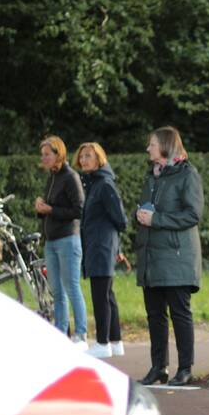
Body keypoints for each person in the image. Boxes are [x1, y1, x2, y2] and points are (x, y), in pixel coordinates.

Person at [135, 126, 204, 387]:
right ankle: (158, 367)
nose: (148, 149)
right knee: (154, 314)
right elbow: (149, 211)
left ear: (165, 145)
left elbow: (193, 214)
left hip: (177, 257)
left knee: (179, 313)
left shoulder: (188, 175)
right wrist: (140, 215)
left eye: (151, 144)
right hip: (151, 257)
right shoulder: (151, 177)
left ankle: (185, 368)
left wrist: (157, 219)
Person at [36, 135, 89, 349]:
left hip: (68, 239)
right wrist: (41, 207)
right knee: (57, 290)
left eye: (47, 154)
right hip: (52, 240)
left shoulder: (70, 176)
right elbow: (51, 207)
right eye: (43, 155)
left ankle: (82, 334)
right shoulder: (52, 176)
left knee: (72, 287)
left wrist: (50, 210)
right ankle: (61, 332)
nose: (44, 158)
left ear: (58, 154)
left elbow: (78, 209)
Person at [77, 142, 129, 359]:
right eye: (81, 157)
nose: (83, 160)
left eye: (88, 156)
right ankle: (115, 342)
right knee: (107, 295)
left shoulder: (104, 185)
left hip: (102, 246)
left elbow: (121, 219)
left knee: (100, 294)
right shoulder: (93, 184)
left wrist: (112, 243)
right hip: (99, 245)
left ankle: (102, 342)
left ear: (99, 158)